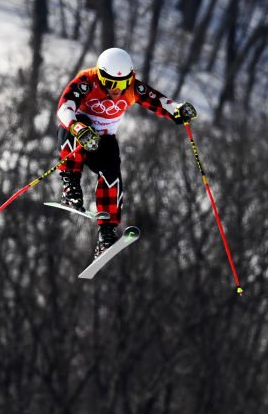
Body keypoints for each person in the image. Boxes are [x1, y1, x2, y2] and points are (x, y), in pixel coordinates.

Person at [55, 47, 197, 259]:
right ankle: (71, 187)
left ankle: (107, 233)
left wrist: (178, 111)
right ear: (100, 75)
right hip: (81, 133)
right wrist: (77, 128)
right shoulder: (86, 81)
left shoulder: (132, 88)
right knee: (71, 130)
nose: (117, 89)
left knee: (112, 175)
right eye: (111, 83)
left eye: (122, 84)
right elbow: (64, 107)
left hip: (104, 140)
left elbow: (159, 101)